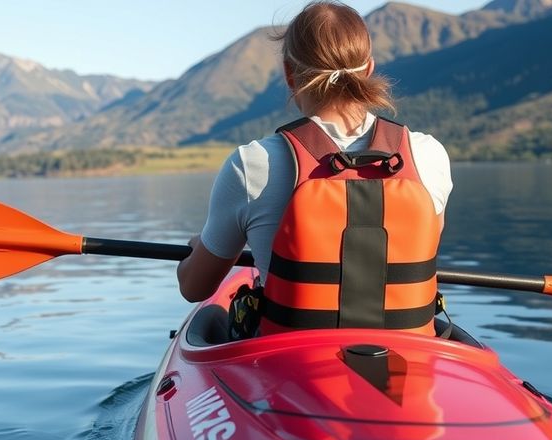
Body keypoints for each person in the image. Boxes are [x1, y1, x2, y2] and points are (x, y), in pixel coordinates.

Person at [177, 1, 452, 338]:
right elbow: (426, 240)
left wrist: (197, 249)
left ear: (290, 74)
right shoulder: (429, 155)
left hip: (290, 366)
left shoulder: (252, 164)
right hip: (411, 359)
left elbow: (195, 288)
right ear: (368, 69)